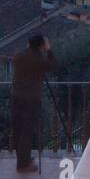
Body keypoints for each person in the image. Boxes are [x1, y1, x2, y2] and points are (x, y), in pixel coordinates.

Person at [11, 34, 57, 171]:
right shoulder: (38, 60)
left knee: (18, 130)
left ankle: (23, 158)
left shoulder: (18, 56)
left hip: (16, 96)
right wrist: (48, 50)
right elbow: (53, 65)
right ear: (41, 45)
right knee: (27, 131)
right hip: (31, 99)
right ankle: (23, 165)